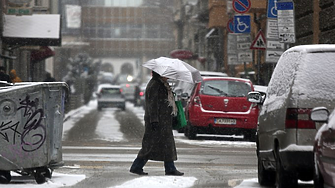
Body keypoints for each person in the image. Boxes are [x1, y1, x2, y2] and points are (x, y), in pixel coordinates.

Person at [130, 71, 184, 176]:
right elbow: (152, 104)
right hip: (157, 121)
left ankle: (170, 168)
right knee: (150, 145)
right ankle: (137, 166)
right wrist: (154, 120)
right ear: (160, 74)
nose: (168, 75)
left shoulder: (161, 84)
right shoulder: (155, 85)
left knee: (165, 145)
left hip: (163, 120)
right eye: (166, 73)